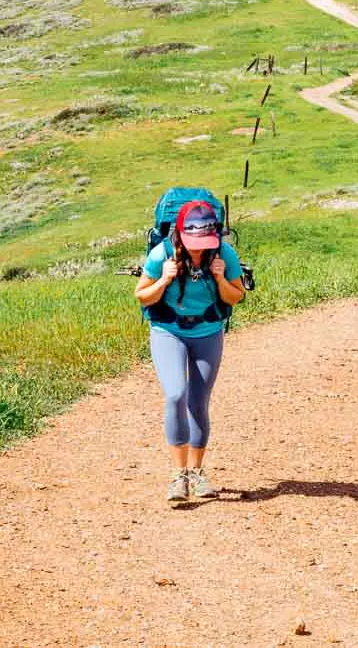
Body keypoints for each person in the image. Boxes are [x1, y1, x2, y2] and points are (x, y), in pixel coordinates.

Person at [134, 199, 247, 503]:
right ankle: (178, 474)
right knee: (175, 394)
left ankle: (197, 473)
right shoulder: (162, 255)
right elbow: (143, 296)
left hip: (208, 331)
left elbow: (236, 296)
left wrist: (221, 277)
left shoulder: (224, 254)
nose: (198, 249)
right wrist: (165, 279)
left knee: (198, 401)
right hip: (168, 330)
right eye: (193, 242)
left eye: (204, 242)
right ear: (181, 235)